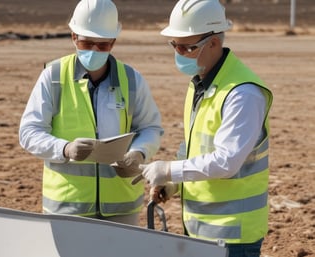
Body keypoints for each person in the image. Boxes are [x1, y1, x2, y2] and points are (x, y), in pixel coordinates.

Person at [136, 0, 273, 256]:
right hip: (200, 230)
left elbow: (226, 161)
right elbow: (194, 145)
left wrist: (169, 170)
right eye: (174, 45)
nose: (178, 53)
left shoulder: (242, 93)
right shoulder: (201, 83)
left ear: (213, 43)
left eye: (186, 47)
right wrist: (174, 184)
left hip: (232, 237)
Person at [19, 0, 163, 226]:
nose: (95, 50)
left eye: (102, 45)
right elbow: (29, 132)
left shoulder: (132, 80)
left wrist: (139, 152)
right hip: (67, 209)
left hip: (121, 208)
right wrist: (64, 149)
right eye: (87, 43)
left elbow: (150, 128)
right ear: (74, 37)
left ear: (113, 42)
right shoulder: (54, 76)